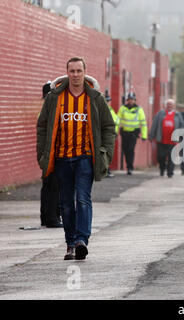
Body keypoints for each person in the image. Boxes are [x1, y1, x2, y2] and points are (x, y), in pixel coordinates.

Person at [36, 57, 116, 260]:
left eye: (79, 71)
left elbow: (108, 127)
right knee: (66, 204)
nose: (75, 75)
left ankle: (81, 240)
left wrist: (105, 153)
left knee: (82, 199)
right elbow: (42, 126)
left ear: (85, 72)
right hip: (62, 158)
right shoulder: (55, 97)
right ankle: (70, 243)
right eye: (72, 71)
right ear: (67, 73)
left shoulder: (95, 98)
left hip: (85, 158)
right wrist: (43, 154)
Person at [39, 81, 63, 228]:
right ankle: (52, 218)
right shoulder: (49, 109)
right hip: (52, 154)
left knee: (48, 186)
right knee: (53, 186)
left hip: (48, 153)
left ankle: (46, 217)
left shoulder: (45, 108)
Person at [149, 99, 184, 178]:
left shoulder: (178, 115)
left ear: (173, 106)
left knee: (171, 157)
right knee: (161, 156)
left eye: (171, 104)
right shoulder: (160, 114)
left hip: (173, 141)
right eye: (168, 104)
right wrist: (151, 135)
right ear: (166, 105)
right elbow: (154, 124)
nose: (169, 106)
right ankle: (162, 168)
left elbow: (182, 126)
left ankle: (170, 172)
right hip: (161, 140)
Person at [117, 92, 147, 175]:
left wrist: (144, 135)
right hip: (124, 133)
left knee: (131, 150)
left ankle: (130, 167)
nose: (131, 101)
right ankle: (128, 165)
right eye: (129, 99)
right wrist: (115, 132)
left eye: (132, 99)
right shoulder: (122, 108)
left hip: (133, 133)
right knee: (125, 150)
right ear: (127, 100)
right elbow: (117, 120)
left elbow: (143, 123)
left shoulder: (139, 109)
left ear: (134, 100)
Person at [105, 92, 119, 178]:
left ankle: (107, 170)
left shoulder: (110, 110)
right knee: (105, 153)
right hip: (105, 134)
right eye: (106, 101)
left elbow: (116, 121)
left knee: (108, 153)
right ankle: (106, 170)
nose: (107, 102)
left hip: (111, 134)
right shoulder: (103, 109)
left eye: (108, 101)